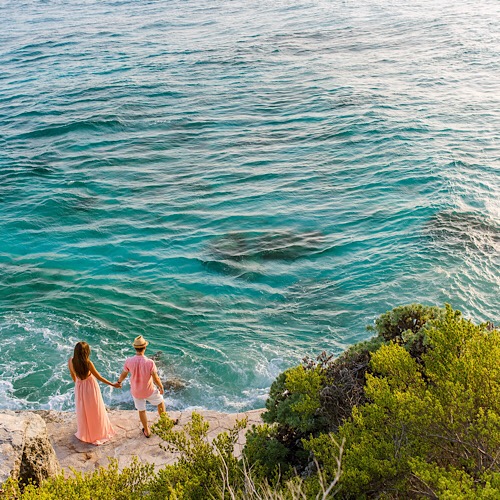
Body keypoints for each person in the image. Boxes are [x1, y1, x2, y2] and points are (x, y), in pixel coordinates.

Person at [116, 335, 169, 438]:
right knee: (160, 402)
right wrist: (161, 387)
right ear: (145, 347)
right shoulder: (150, 362)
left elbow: (124, 374)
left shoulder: (129, 361)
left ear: (135, 348)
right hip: (149, 390)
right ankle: (164, 422)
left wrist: (119, 382)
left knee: (141, 410)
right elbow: (156, 378)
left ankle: (147, 430)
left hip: (136, 391)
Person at [68, 342, 119, 445]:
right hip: (90, 387)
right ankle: (98, 432)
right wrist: (113, 384)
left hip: (79, 386)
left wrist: (78, 384)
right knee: (95, 409)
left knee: (83, 410)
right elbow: (99, 377)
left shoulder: (71, 361)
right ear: (86, 352)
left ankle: (85, 432)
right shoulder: (88, 363)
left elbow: (73, 375)